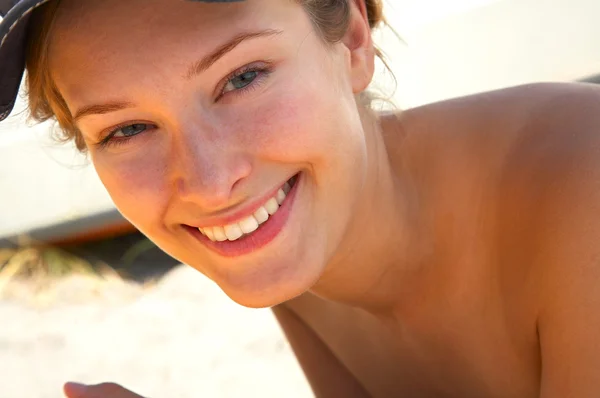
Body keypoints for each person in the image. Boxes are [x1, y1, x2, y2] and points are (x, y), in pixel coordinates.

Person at [2, 0, 600, 396]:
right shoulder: (304, 247)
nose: (211, 184)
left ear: (355, 38)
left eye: (243, 77)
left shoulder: (584, 191)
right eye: (125, 130)